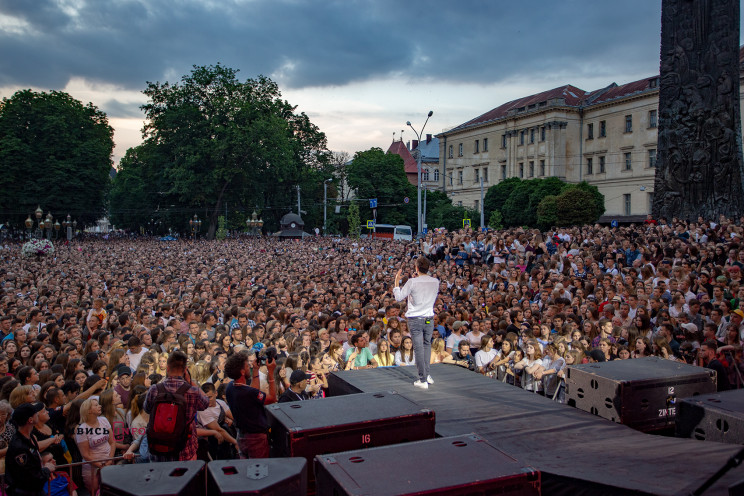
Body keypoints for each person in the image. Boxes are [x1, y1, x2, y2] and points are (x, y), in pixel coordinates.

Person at [143, 350, 209, 462]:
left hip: (159, 448)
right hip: (184, 450)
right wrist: (190, 382)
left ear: (168, 368)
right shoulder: (192, 391)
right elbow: (206, 403)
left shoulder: (155, 389)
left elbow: (147, 409)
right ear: (184, 370)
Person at [393, 256, 440, 390]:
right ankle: (427, 375)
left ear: (417, 267)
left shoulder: (412, 282)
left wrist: (397, 281)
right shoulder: (435, 281)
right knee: (426, 346)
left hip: (415, 319)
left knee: (419, 348)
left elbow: (398, 297)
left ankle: (422, 379)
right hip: (429, 319)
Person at [224, 350, 276, 459]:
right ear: (242, 372)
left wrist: (256, 371)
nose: (250, 367)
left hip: (242, 436)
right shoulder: (248, 393)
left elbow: (252, 391)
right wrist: (271, 373)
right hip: (256, 439)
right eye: (248, 366)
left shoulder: (230, 387)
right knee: (259, 470)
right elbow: (272, 398)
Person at [6, 402, 57, 496]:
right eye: (35, 413)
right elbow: (30, 478)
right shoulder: (19, 447)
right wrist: (46, 469)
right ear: (30, 420)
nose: (37, 414)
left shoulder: (30, 438)